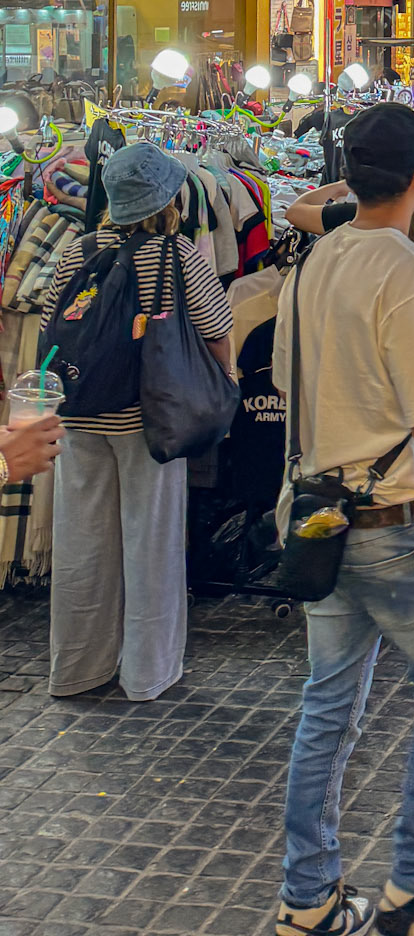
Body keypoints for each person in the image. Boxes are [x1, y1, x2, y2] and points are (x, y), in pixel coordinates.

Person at [273, 103, 414, 936]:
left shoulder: (315, 261)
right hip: (398, 522)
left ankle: (308, 897)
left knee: (327, 707)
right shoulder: (410, 272)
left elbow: (287, 379)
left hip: (321, 517)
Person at [43, 142, 232, 702]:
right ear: (169, 198)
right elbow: (217, 326)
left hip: (80, 413)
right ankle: (147, 673)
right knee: (151, 543)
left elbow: (54, 323)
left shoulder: (79, 250)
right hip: (148, 419)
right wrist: (227, 381)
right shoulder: (175, 254)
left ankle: (76, 668)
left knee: (80, 544)